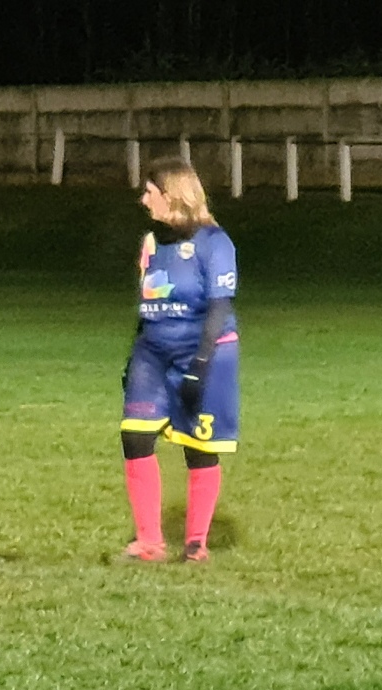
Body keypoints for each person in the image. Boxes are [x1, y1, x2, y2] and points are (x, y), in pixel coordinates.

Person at [119, 156, 240, 563]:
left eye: (149, 191)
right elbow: (147, 305)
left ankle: (195, 544)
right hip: (152, 352)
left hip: (203, 350)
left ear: (171, 194)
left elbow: (219, 308)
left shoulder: (214, 243)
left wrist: (200, 366)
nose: (143, 200)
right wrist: (133, 357)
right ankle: (149, 542)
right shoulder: (151, 244)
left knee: (198, 447)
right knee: (135, 436)